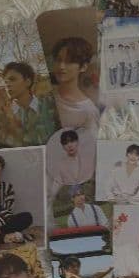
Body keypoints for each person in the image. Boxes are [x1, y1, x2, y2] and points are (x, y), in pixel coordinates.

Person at [49, 37, 100, 175]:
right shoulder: (45, 96)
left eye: (69, 61)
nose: (61, 66)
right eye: (59, 60)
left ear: (83, 67)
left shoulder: (88, 110)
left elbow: (89, 152)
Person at [0, 60, 58, 147]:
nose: (7, 84)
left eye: (12, 79)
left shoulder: (51, 105)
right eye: (5, 82)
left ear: (27, 82)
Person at [47, 130, 90, 201]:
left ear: (77, 142)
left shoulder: (86, 160)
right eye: (65, 143)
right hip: (69, 199)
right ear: (63, 146)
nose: (69, 145)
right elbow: (56, 186)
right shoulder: (60, 164)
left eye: (72, 141)